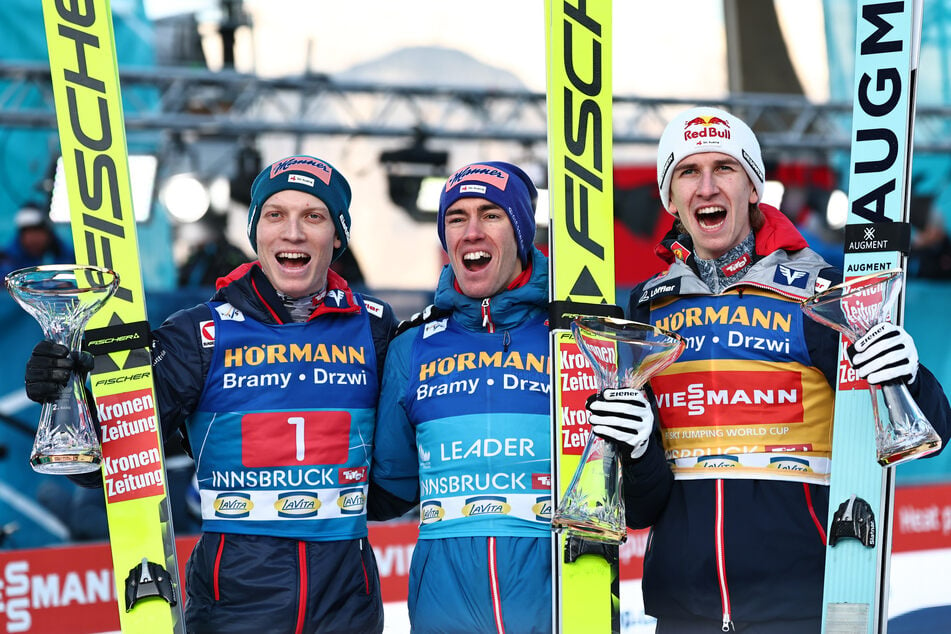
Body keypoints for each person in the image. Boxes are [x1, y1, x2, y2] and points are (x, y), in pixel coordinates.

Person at [585, 107, 951, 632]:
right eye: (688, 172)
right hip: (684, 613)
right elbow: (643, 508)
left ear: (755, 186)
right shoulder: (647, 307)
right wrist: (639, 450)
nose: (707, 187)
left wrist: (907, 370)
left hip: (802, 606)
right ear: (670, 199)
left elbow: (933, 429)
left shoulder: (819, 289)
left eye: (725, 169)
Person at [25, 155, 397, 633]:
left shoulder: (375, 326)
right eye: (275, 214)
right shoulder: (198, 333)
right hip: (236, 605)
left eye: (314, 216)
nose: (293, 233)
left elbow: (406, 460)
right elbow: (109, 467)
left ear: (338, 236)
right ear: (254, 230)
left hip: (347, 606)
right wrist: (66, 396)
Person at [369, 161, 553, 633]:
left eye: (491, 215)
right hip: (444, 609)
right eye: (456, 218)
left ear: (521, 231)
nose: (472, 231)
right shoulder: (412, 346)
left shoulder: (569, 336)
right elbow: (391, 487)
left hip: (560, 599)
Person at [0, 204, 74, 279]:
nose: (33, 238)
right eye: (28, 232)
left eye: (37, 231)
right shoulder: (7, 260)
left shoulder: (64, 254)